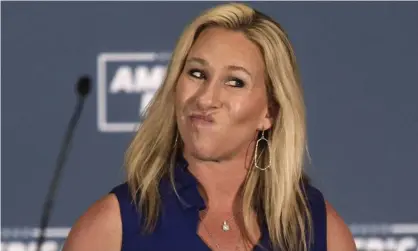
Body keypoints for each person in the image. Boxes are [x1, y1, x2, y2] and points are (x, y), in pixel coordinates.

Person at [63, 3, 356, 251]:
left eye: (235, 82)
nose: (205, 98)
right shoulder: (112, 227)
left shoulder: (319, 231)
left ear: (270, 112)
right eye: (197, 73)